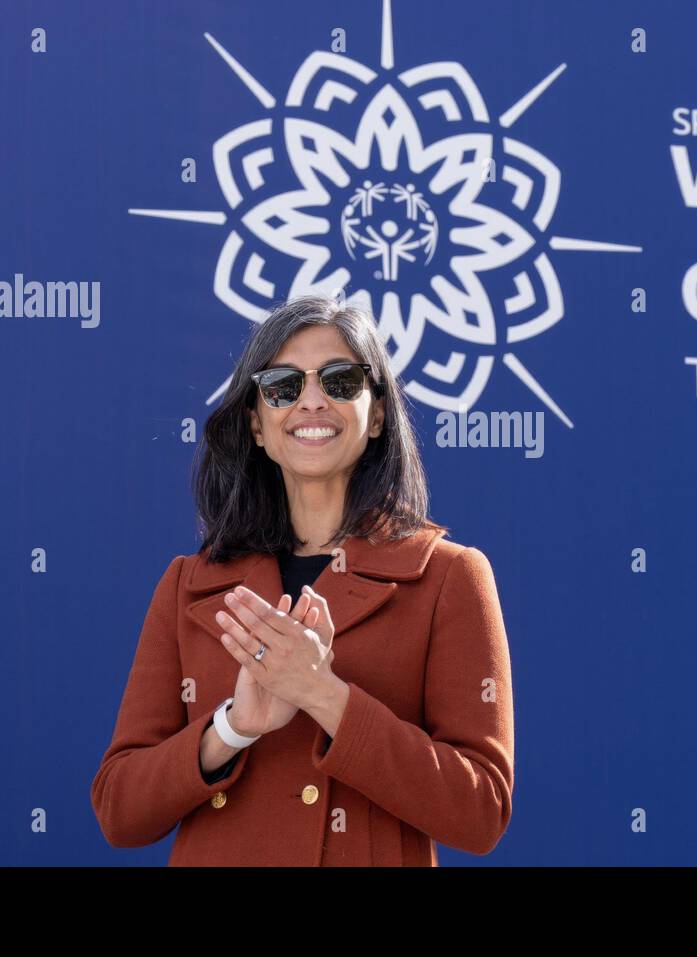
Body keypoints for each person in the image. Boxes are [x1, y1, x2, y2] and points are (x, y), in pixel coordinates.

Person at [90, 294, 514, 865]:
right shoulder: (189, 584)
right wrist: (233, 728)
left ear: (379, 412)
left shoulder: (448, 576)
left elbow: (479, 812)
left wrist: (324, 695)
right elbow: (119, 810)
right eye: (283, 387)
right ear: (258, 424)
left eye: (340, 381)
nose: (312, 401)